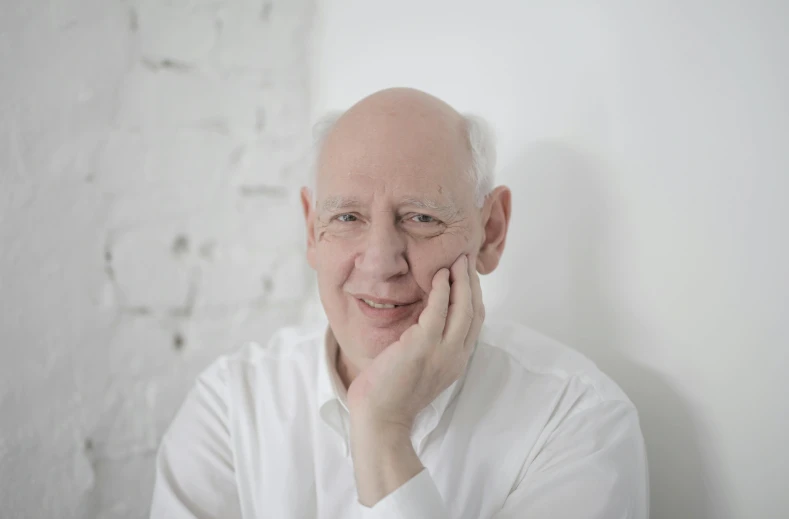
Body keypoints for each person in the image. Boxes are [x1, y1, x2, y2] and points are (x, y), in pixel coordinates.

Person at [150, 87, 649, 518]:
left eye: (422, 218)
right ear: (310, 229)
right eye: (347, 217)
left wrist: (382, 432)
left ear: (490, 232)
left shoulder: (577, 421)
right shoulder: (231, 407)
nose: (381, 262)